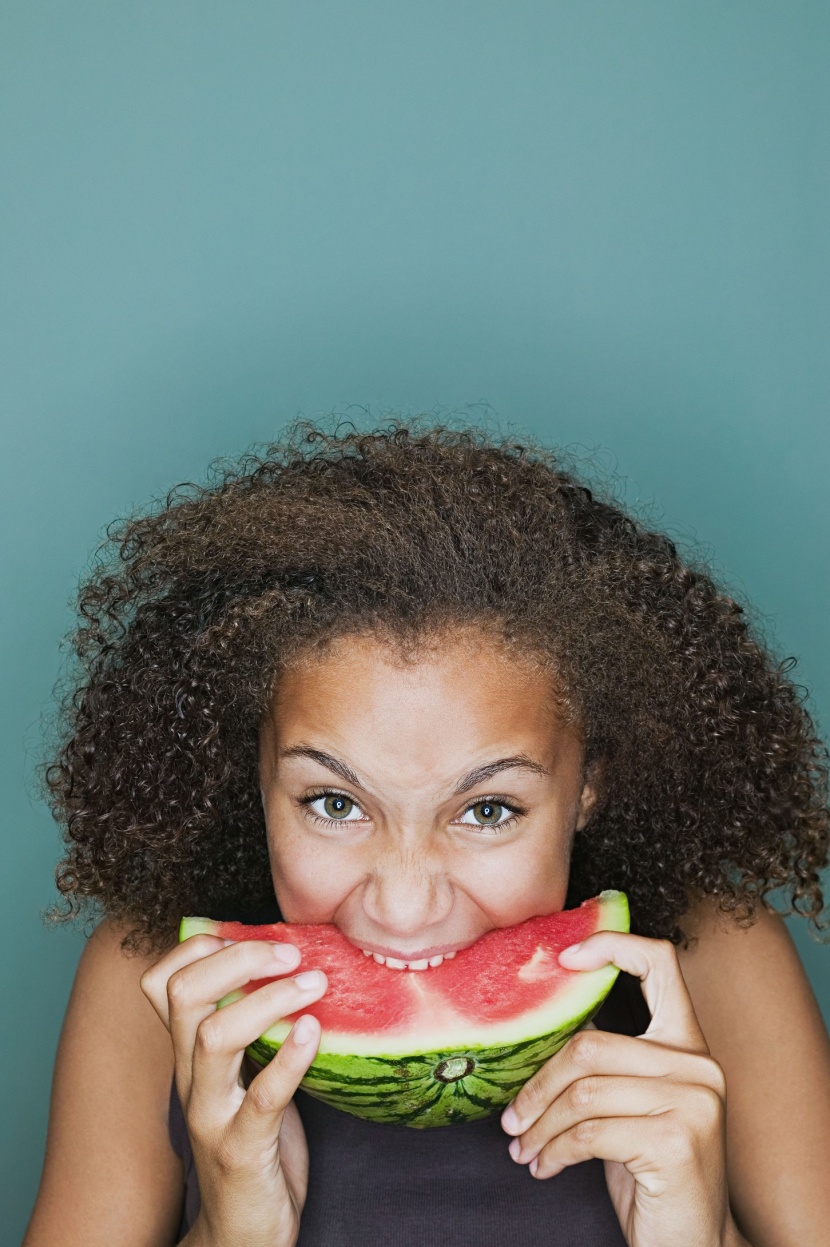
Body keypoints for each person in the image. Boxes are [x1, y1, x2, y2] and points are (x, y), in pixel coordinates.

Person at [23, 423, 830, 1247]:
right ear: (255, 772)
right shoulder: (152, 981)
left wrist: (694, 1236)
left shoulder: (719, 955)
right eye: (334, 802)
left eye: (487, 810)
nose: (405, 907)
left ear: (587, 784)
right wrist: (235, 1230)